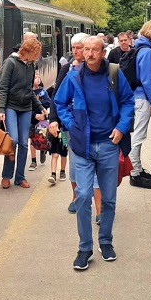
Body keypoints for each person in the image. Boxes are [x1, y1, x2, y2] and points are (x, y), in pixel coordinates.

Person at [54, 35, 135, 270]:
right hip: (83, 147)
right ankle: (84, 247)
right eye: (86, 49)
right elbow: (59, 103)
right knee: (83, 196)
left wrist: (121, 128)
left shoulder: (114, 74)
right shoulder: (73, 76)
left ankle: (106, 241)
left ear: (102, 53)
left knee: (108, 198)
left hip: (109, 145)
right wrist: (71, 124)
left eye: (94, 50)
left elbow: (128, 102)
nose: (89, 53)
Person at [47, 33, 101, 217]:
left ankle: (100, 208)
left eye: (80, 47)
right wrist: (55, 120)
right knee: (74, 162)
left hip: (95, 126)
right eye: (75, 48)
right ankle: (76, 197)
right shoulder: (66, 69)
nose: (76, 51)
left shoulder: (101, 68)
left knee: (95, 168)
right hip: (70, 125)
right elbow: (56, 97)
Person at [0, 38, 45, 189]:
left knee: (24, 143)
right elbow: (3, 87)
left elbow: (30, 91)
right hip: (11, 106)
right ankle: (6, 175)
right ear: (28, 51)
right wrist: (1, 110)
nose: (37, 57)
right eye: (36, 54)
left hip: (26, 108)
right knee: (13, 141)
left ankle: (20, 177)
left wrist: (40, 107)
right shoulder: (10, 63)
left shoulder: (31, 66)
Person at [125, 20, 151, 188]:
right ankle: (134, 173)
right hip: (142, 98)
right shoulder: (147, 51)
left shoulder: (139, 47)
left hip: (135, 96)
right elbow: (147, 78)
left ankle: (137, 168)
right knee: (139, 136)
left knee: (137, 135)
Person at [29, 74, 51, 172]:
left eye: (39, 78)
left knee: (41, 137)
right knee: (31, 139)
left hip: (42, 119)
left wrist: (40, 102)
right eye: (35, 78)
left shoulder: (43, 92)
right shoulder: (29, 91)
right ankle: (33, 161)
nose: (37, 79)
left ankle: (43, 150)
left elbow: (49, 103)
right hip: (31, 118)